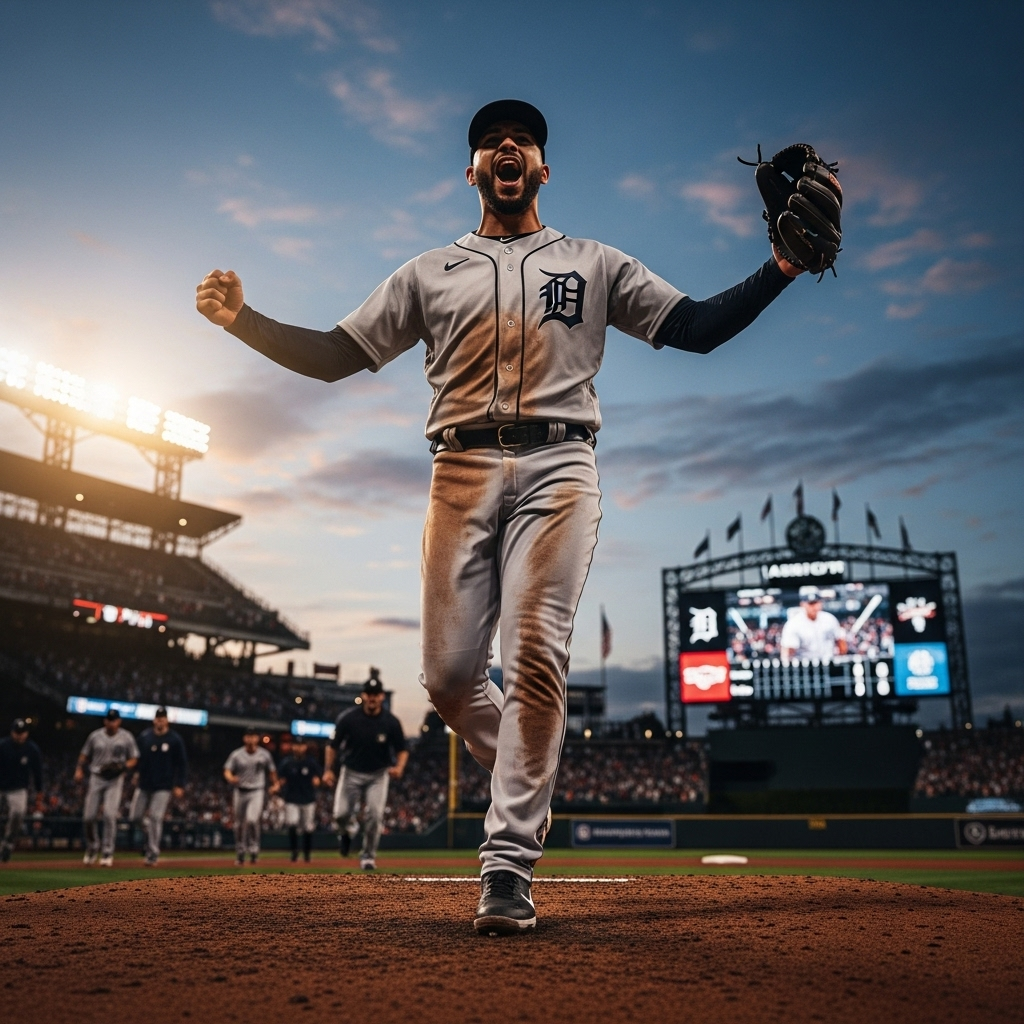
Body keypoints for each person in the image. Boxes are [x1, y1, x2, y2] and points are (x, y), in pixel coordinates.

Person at [196, 98, 807, 932]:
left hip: (561, 465)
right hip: (459, 467)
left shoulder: (593, 262)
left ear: (543, 169)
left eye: (521, 140)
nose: (506, 147)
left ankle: (508, 864)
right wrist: (243, 322)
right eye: (490, 142)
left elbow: (694, 327)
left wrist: (779, 266)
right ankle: (532, 765)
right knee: (448, 680)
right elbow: (339, 356)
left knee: (534, 650)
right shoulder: (427, 271)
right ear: (473, 171)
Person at [323, 676, 407, 871]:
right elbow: (332, 746)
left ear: (382, 697)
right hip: (351, 772)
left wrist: (400, 767)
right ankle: (348, 831)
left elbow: (402, 749)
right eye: (369, 694)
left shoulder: (391, 722)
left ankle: (368, 856)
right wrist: (328, 770)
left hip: (378, 774)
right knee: (340, 815)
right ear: (363, 696)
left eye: (376, 694)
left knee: (375, 815)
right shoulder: (348, 718)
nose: (372, 698)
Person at [75, 709, 139, 866]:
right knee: (89, 817)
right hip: (97, 777)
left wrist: (123, 766)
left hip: (115, 779)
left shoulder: (126, 737)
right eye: (109, 720)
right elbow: (84, 754)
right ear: (105, 721)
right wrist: (79, 769)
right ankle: (92, 847)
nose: (112, 722)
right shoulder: (95, 736)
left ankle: (107, 852)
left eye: (114, 720)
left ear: (119, 721)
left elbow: (134, 758)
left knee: (109, 816)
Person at [130, 707, 188, 866]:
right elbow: (137, 759)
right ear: (154, 720)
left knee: (156, 817)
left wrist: (180, 784)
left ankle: (152, 853)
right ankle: (150, 831)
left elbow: (182, 764)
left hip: (164, 785)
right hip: (144, 784)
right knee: (135, 817)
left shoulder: (175, 739)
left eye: (163, 718)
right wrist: (135, 774)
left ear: (167, 720)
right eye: (158, 718)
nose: (160, 721)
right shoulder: (145, 737)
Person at [223, 727, 278, 865]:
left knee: (252, 820)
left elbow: (272, 771)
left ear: (257, 738)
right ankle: (240, 851)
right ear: (244, 738)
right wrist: (230, 778)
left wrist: (275, 784)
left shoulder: (264, 755)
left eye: (253, 736)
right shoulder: (237, 754)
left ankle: (254, 850)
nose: (251, 739)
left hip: (257, 791)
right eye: (248, 736)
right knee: (239, 824)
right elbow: (227, 770)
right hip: (240, 791)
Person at [0, 718, 43, 863]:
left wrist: (39, 795)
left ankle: (8, 845)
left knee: (18, 813)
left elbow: (38, 774)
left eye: (22, 732)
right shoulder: (3, 746)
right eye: (17, 732)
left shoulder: (32, 749)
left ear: (27, 733)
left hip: (18, 789)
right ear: (12, 732)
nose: (19, 735)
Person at [277, 737, 322, 863]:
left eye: (301, 745)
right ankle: (294, 852)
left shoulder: (311, 762)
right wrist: (277, 785)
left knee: (308, 827)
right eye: (296, 745)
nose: (299, 748)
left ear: (305, 747)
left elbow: (318, 778)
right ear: (292, 747)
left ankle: (307, 854)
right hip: (291, 799)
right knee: (292, 823)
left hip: (308, 799)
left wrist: (318, 781)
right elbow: (281, 778)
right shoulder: (287, 762)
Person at [780, 587, 848, 664]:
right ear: (802, 604)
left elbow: (841, 643)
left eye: (816, 602)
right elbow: (787, 653)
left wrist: (839, 660)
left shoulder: (830, 619)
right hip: (805, 667)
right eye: (810, 603)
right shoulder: (793, 624)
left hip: (828, 664)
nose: (814, 607)